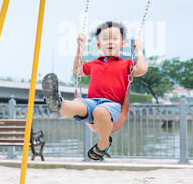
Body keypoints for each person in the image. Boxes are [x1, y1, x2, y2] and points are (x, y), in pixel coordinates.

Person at [42, 21, 148, 160]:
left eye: (114, 39)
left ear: (122, 44)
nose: (110, 42)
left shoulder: (126, 64)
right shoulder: (94, 64)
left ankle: (103, 144)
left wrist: (138, 50)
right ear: (99, 45)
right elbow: (77, 71)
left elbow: (142, 69)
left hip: (113, 106)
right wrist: (80, 48)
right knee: (76, 104)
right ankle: (57, 102)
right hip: (91, 102)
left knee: (100, 111)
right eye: (105, 39)